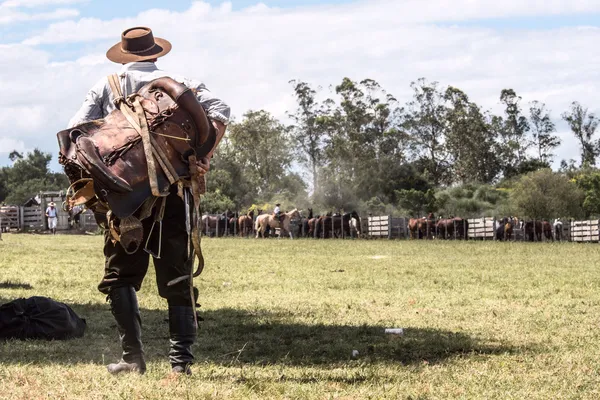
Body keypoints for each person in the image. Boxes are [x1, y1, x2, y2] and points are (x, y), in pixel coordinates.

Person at [68, 27, 230, 376]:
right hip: (173, 192)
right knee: (177, 275)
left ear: (125, 56)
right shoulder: (181, 81)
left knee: (120, 277)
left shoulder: (108, 85)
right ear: (156, 53)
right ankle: (180, 365)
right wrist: (204, 155)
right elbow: (221, 109)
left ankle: (132, 358)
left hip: (125, 198)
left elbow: (76, 129)